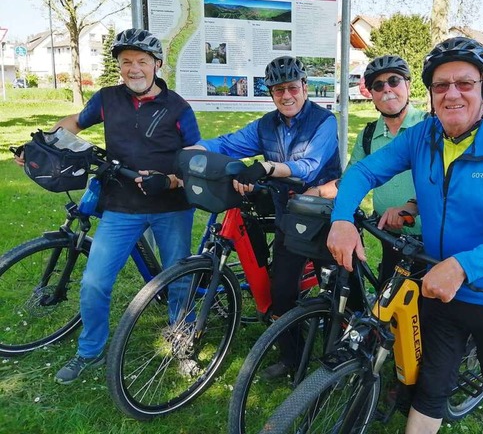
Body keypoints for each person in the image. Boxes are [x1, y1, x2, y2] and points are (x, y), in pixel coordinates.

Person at [326, 37, 483, 434]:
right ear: (430, 94)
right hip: (437, 289)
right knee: (430, 388)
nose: (452, 94)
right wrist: (342, 218)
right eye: (441, 86)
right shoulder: (422, 136)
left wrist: (464, 266)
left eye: (465, 83)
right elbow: (362, 172)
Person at [14, 28, 202, 384]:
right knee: (95, 282)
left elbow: (196, 154)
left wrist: (173, 179)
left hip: (171, 205)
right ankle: (90, 351)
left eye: (142, 61)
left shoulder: (178, 106)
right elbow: (74, 123)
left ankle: (182, 344)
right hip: (121, 204)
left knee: (178, 281)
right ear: (119, 66)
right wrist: (41, 145)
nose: (134, 69)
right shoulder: (107, 98)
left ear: (157, 65)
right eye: (126, 61)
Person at [192, 55, 341, 378]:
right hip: (289, 215)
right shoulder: (266, 125)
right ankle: (292, 358)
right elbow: (228, 144)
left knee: (338, 288)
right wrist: (195, 151)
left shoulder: (324, 122)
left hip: (326, 215)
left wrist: (268, 167)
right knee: (282, 289)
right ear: (271, 94)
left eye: (291, 87)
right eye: (277, 90)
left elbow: (309, 168)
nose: (286, 95)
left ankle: (343, 354)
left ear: (305, 87)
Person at [307, 55, 424, 285]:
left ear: (407, 85)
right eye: (378, 86)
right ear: (371, 95)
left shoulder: (428, 127)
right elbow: (352, 178)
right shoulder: (369, 134)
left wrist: (410, 208)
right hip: (388, 236)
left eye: (394, 81)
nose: (387, 89)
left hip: (428, 242)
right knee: (386, 306)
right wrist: (319, 192)